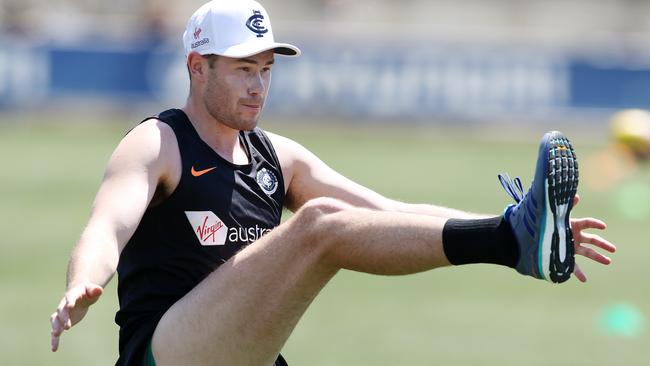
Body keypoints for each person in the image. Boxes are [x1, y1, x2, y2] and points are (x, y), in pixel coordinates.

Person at [49, 1, 616, 365]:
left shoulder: (277, 157)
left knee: (340, 220)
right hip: (165, 352)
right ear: (198, 67)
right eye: (244, 69)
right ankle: (512, 244)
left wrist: (511, 219)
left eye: (267, 69)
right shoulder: (157, 142)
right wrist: (84, 283)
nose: (259, 85)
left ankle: (516, 236)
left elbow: (387, 211)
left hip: (244, 353)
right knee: (320, 226)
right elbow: (106, 225)